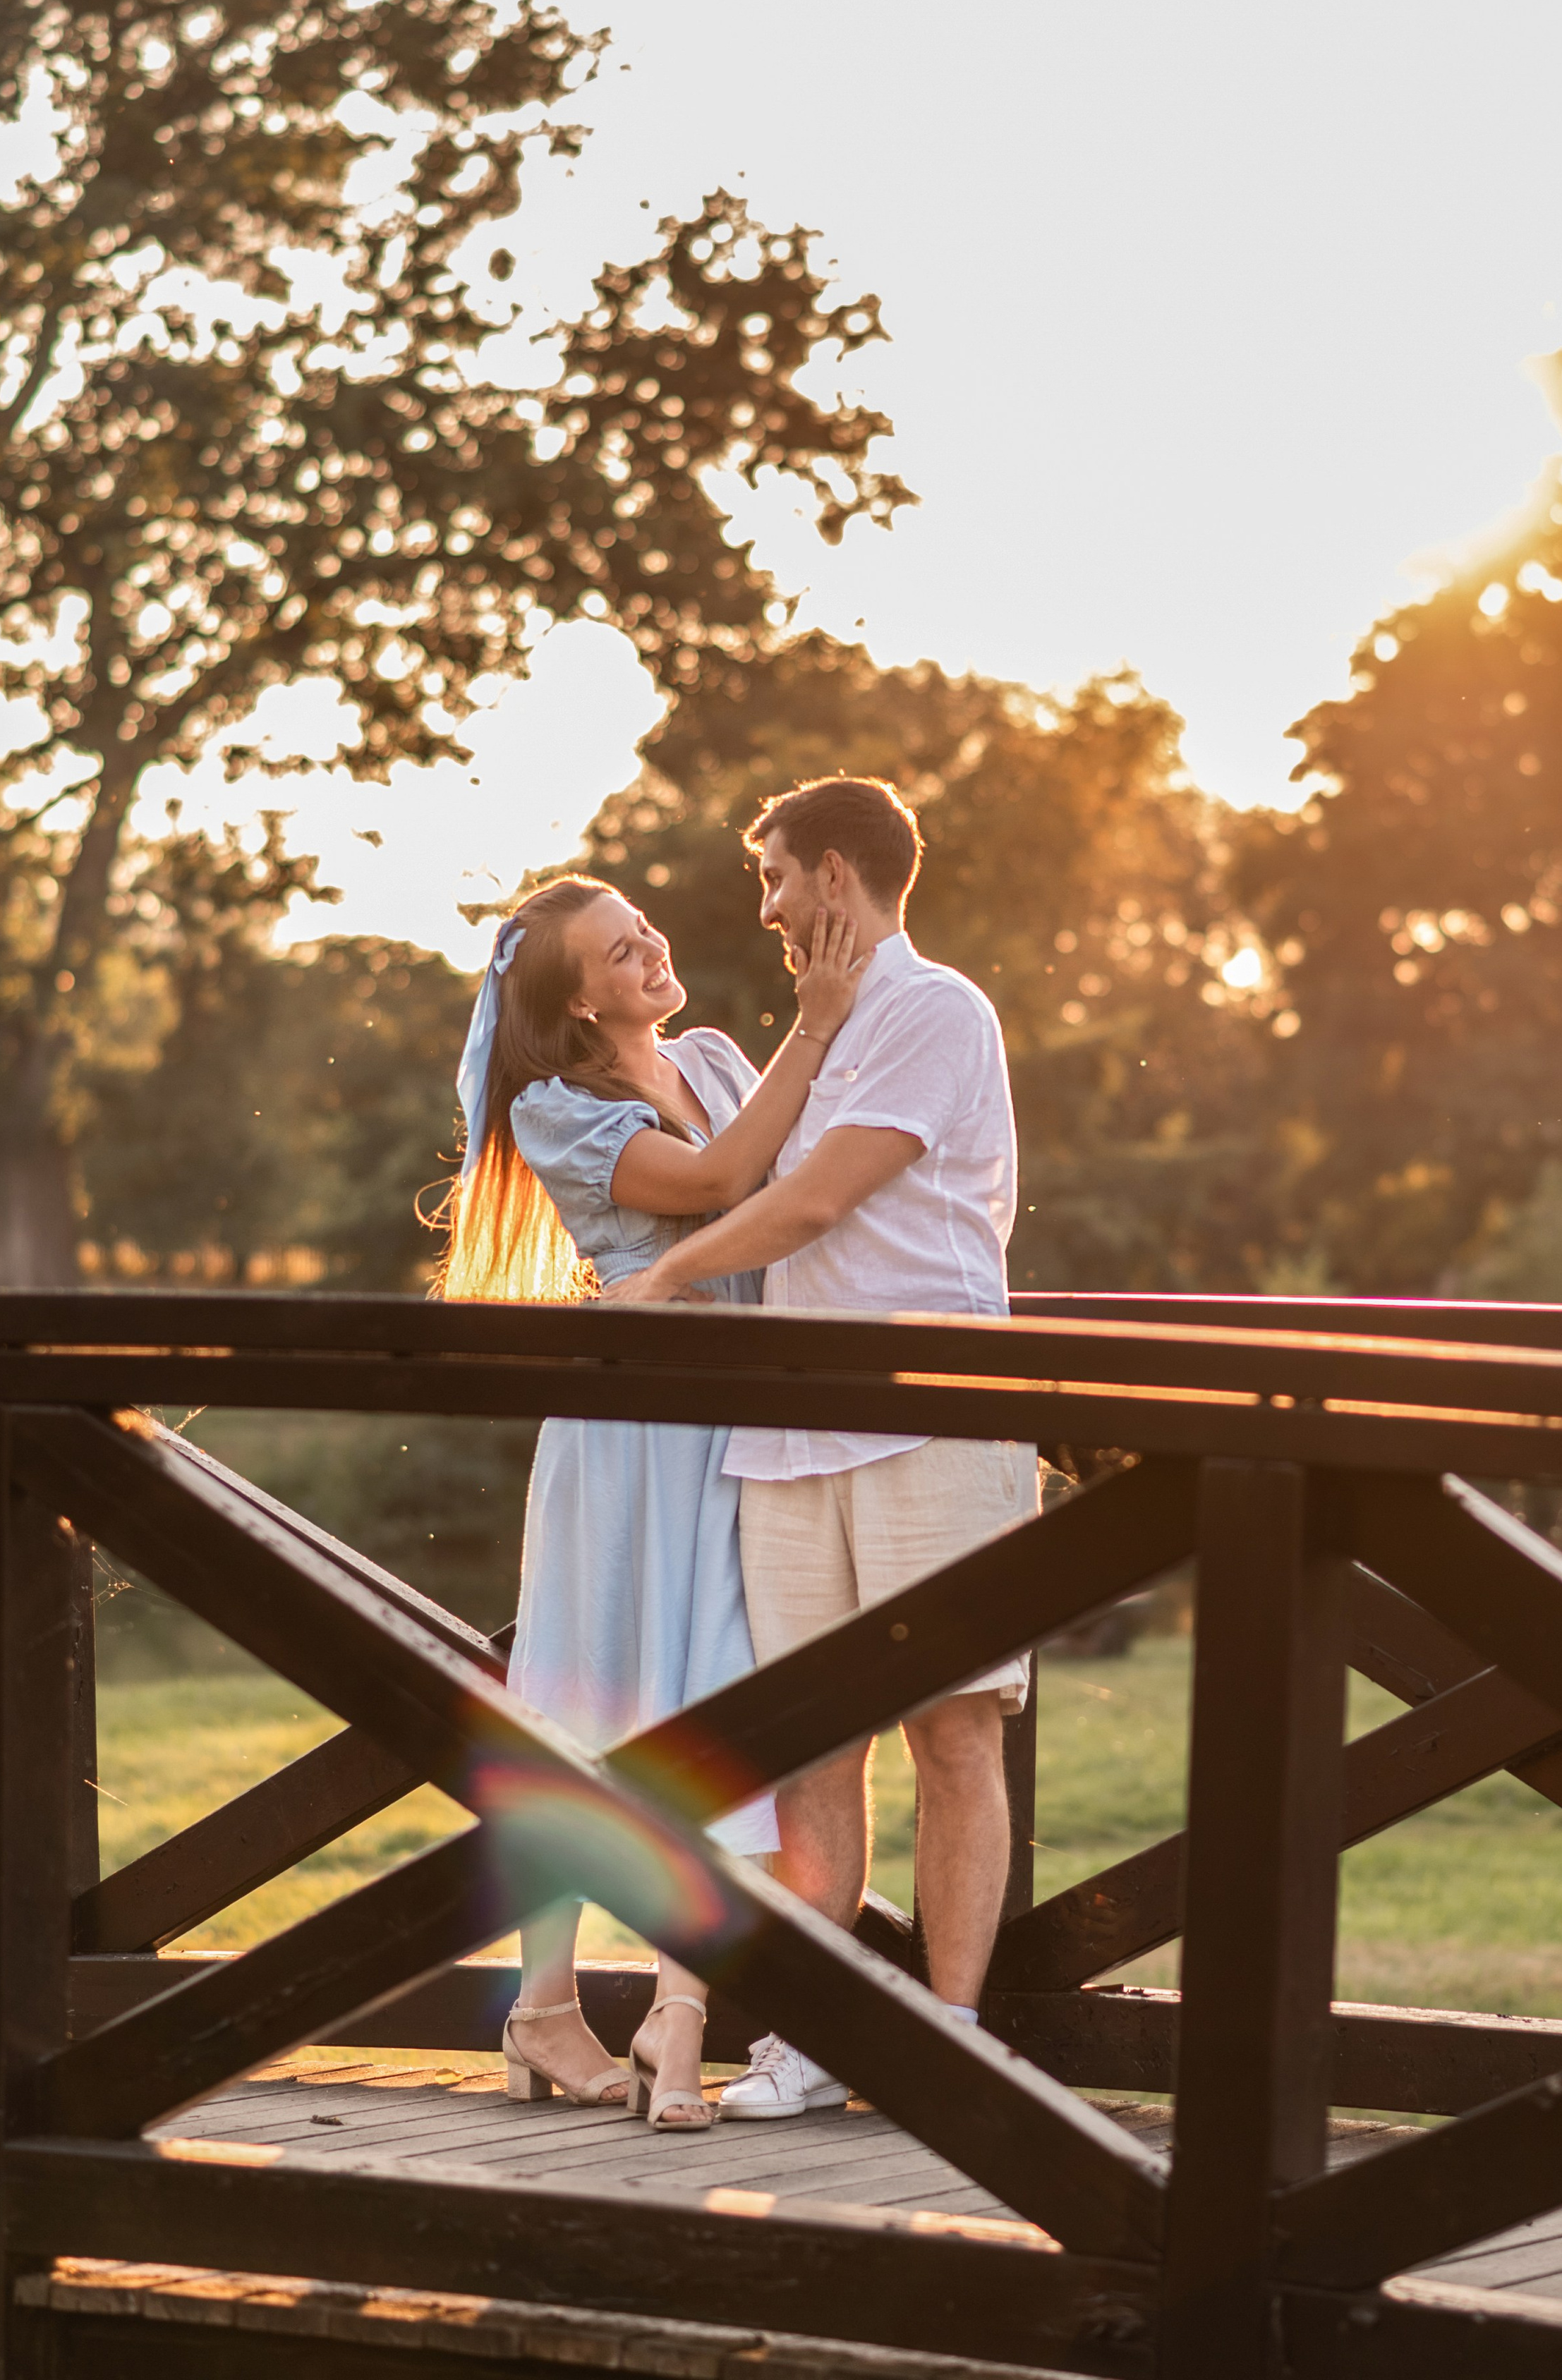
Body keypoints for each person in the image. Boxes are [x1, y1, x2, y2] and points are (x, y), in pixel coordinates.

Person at [603, 777, 1027, 2121]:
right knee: (808, 1753)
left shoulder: (936, 1010)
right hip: (789, 1439)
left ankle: (951, 2032)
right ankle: (812, 2037)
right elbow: (742, 1183)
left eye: (777, 878)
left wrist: (661, 1288)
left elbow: (814, 1203)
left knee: (953, 1733)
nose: (771, 907)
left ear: (836, 877)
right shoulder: (825, 1026)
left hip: (929, 1426)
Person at [442, 874, 867, 2132]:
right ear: (576, 998)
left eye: (646, 935)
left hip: (737, 1418)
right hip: (631, 1433)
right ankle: (546, 2004)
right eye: (622, 954)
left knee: (715, 1700)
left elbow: (794, 1185)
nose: (652, 955)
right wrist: (824, 1017)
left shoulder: (721, 1057)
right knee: (591, 1695)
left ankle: (676, 2019)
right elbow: (725, 1177)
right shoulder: (559, 1111)